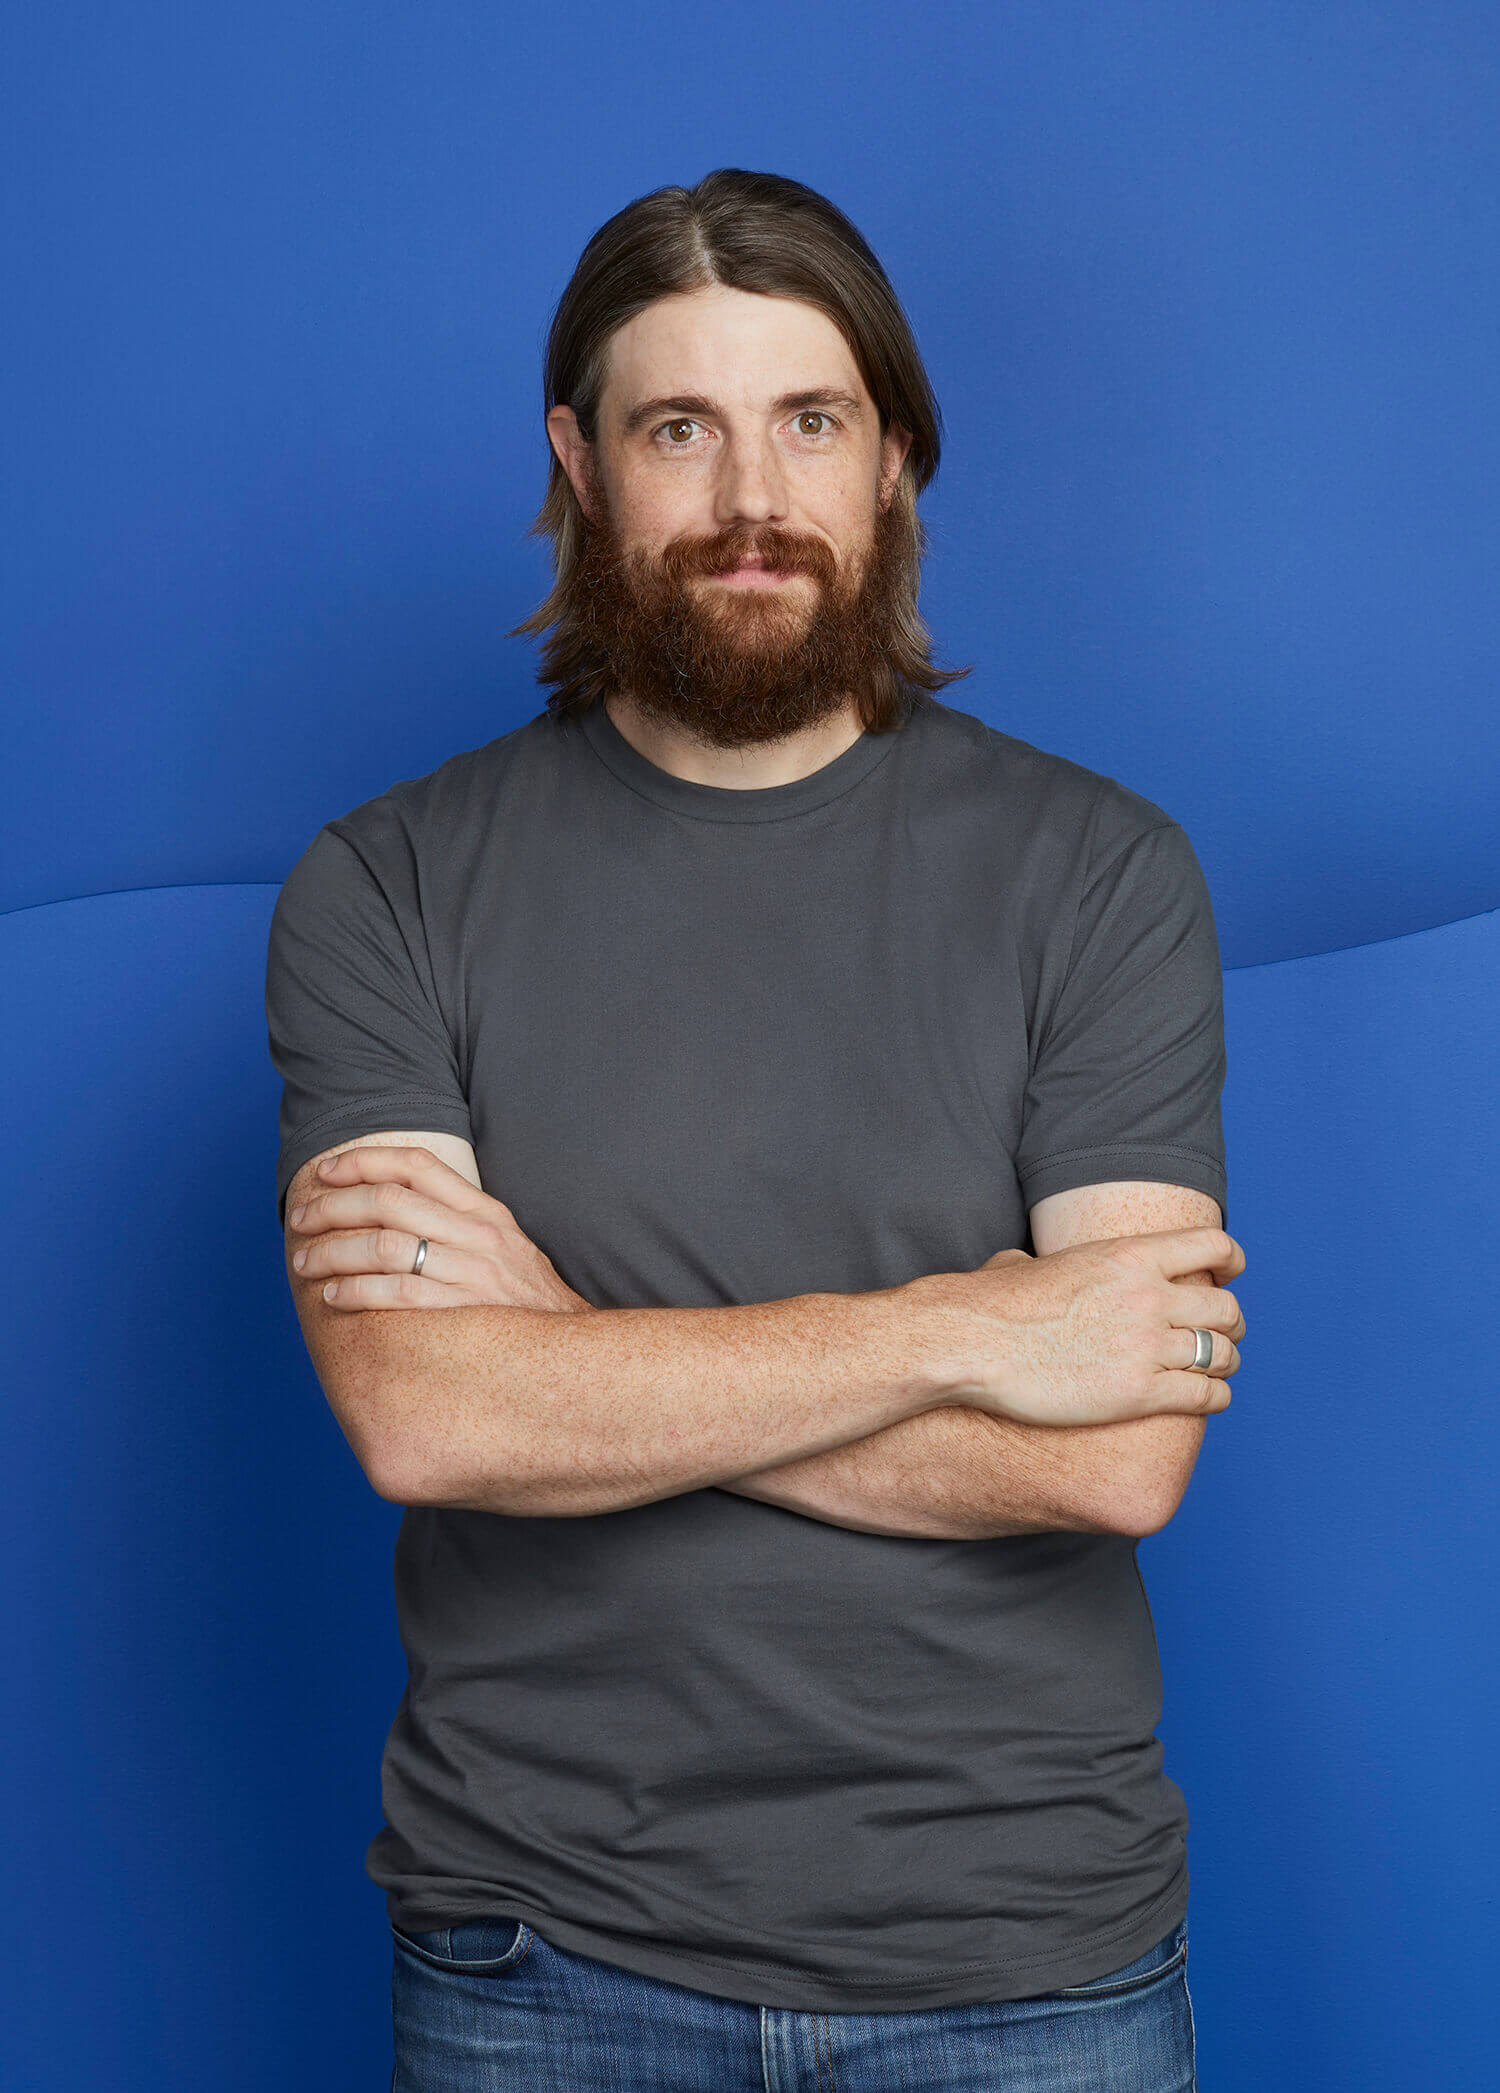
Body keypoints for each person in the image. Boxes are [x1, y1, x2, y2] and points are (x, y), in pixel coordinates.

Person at [265, 167, 1244, 2092]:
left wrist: (567, 1353)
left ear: (895, 460)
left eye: (810, 420)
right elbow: (428, 1418)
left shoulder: (1102, 873)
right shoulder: (386, 885)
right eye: (677, 430)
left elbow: (1122, 1453)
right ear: (579, 463)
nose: (749, 499)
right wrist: (967, 1327)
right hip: (540, 1954)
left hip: (1027, 1955)